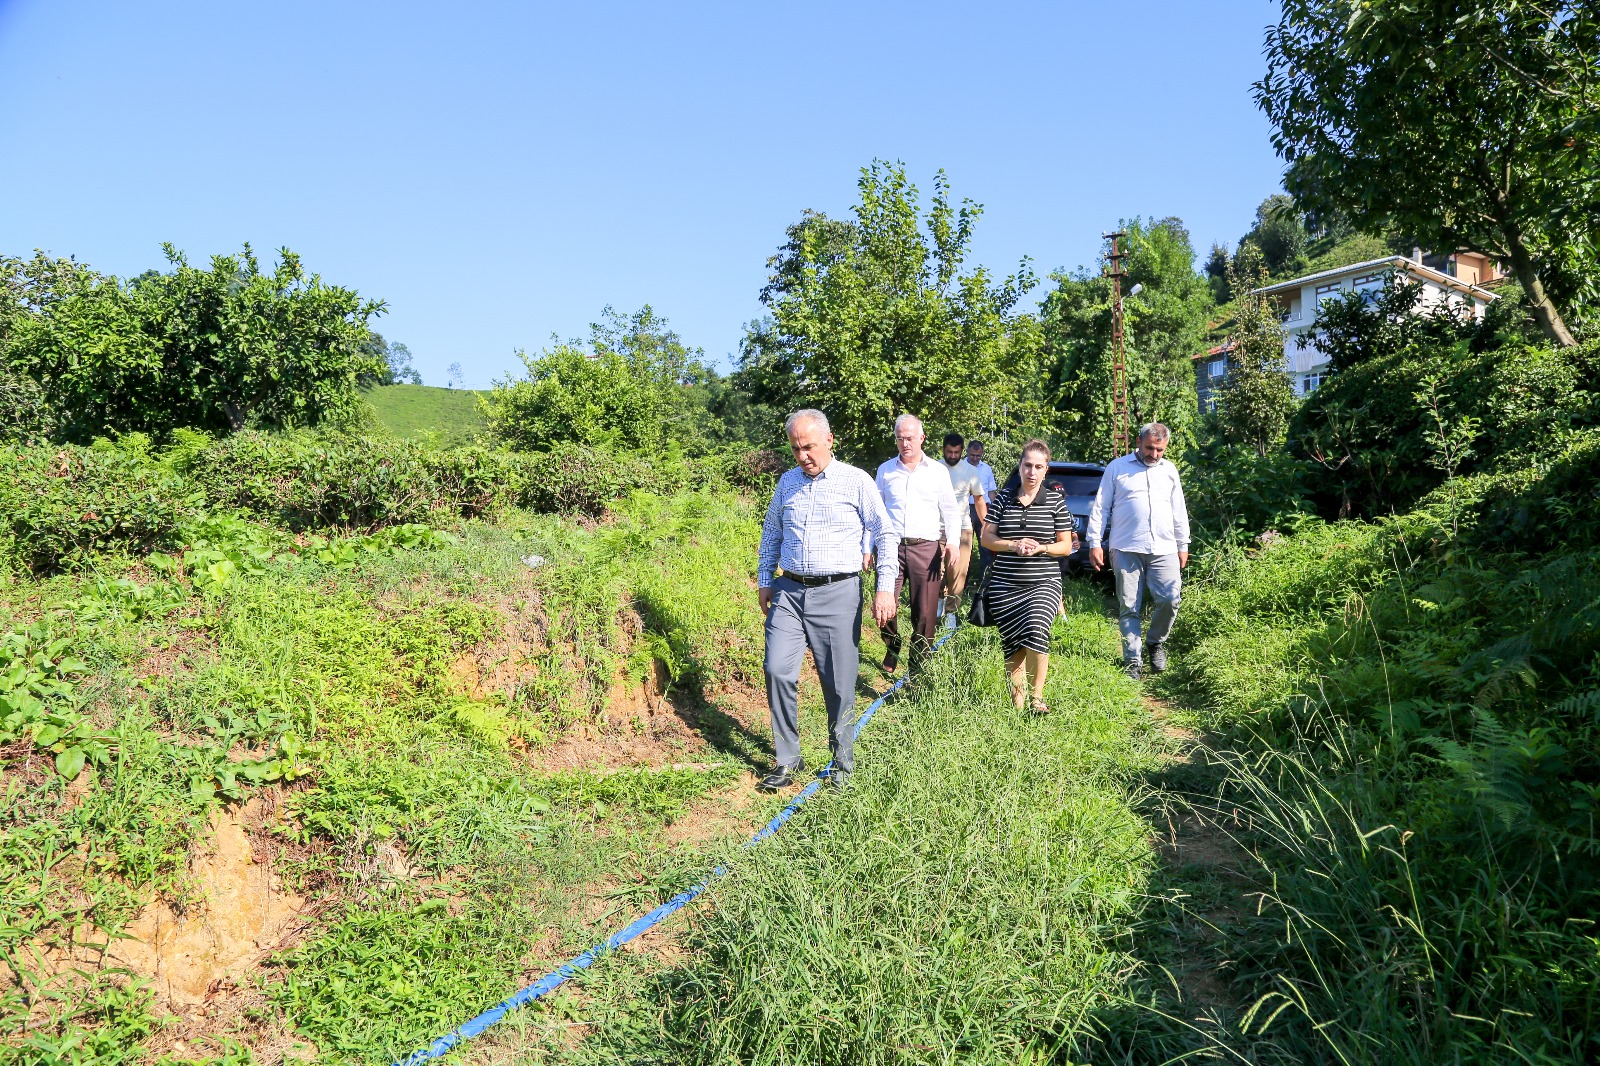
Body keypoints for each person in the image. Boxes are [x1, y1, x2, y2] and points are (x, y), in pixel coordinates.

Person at [757, 409, 899, 793]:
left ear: (829, 440)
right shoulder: (787, 483)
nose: (803, 455)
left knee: (837, 682)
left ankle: (841, 763)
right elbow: (771, 532)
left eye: (809, 446)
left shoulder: (856, 481)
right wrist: (764, 579)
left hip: (839, 591)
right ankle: (788, 757)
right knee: (777, 669)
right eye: (796, 448)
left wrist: (885, 587)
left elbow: (885, 533)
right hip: (789, 591)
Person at [1084, 422, 1190, 680]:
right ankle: (1133, 660)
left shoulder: (1169, 470)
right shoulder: (1117, 468)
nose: (1154, 455)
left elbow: (1179, 508)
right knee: (1129, 605)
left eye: (1160, 450)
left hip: (1164, 546)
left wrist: (1182, 543)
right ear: (1139, 443)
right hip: (1126, 547)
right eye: (1150, 448)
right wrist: (1095, 543)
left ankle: (1155, 642)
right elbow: (1101, 507)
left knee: (1170, 599)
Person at [979, 439, 1077, 714]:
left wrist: (1041, 547)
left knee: (1035, 629)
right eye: (1027, 465)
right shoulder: (1003, 499)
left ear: (1046, 470)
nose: (1032, 472)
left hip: (1043, 581)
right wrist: (1012, 544)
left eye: (1038, 467)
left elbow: (1066, 545)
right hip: (1005, 584)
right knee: (1012, 644)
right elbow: (986, 538)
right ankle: (1017, 706)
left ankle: (1037, 698)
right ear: (1020, 466)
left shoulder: (1055, 501)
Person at [873, 415, 961, 674]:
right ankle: (892, 646)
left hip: (926, 549)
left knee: (925, 614)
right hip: (891, 548)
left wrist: (953, 543)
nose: (905, 443)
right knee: (884, 605)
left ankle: (917, 664)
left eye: (909, 438)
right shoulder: (885, 470)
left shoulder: (937, 471)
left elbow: (950, 511)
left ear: (922, 438)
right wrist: (868, 548)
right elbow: (875, 514)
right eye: (900, 438)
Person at [939, 431, 988, 617]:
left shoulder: (970, 472)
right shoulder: (934, 469)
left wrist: (985, 526)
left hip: (962, 528)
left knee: (958, 573)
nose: (952, 456)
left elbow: (979, 500)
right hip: (936, 528)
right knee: (938, 572)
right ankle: (937, 605)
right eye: (949, 452)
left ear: (962, 451)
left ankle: (951, 613)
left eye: (956, 452)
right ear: (943, 450)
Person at [960, 439, 999, 587]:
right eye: (972, 455)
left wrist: (994, 512)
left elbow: (991, 492)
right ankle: (963, 583)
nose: (975, 458)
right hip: (964, 509)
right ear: (967, 452)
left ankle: (984, 583)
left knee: (985, 545)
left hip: (983, 509)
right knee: (964, 546)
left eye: (978, 456)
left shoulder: (986, 469)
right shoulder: (960, 466)